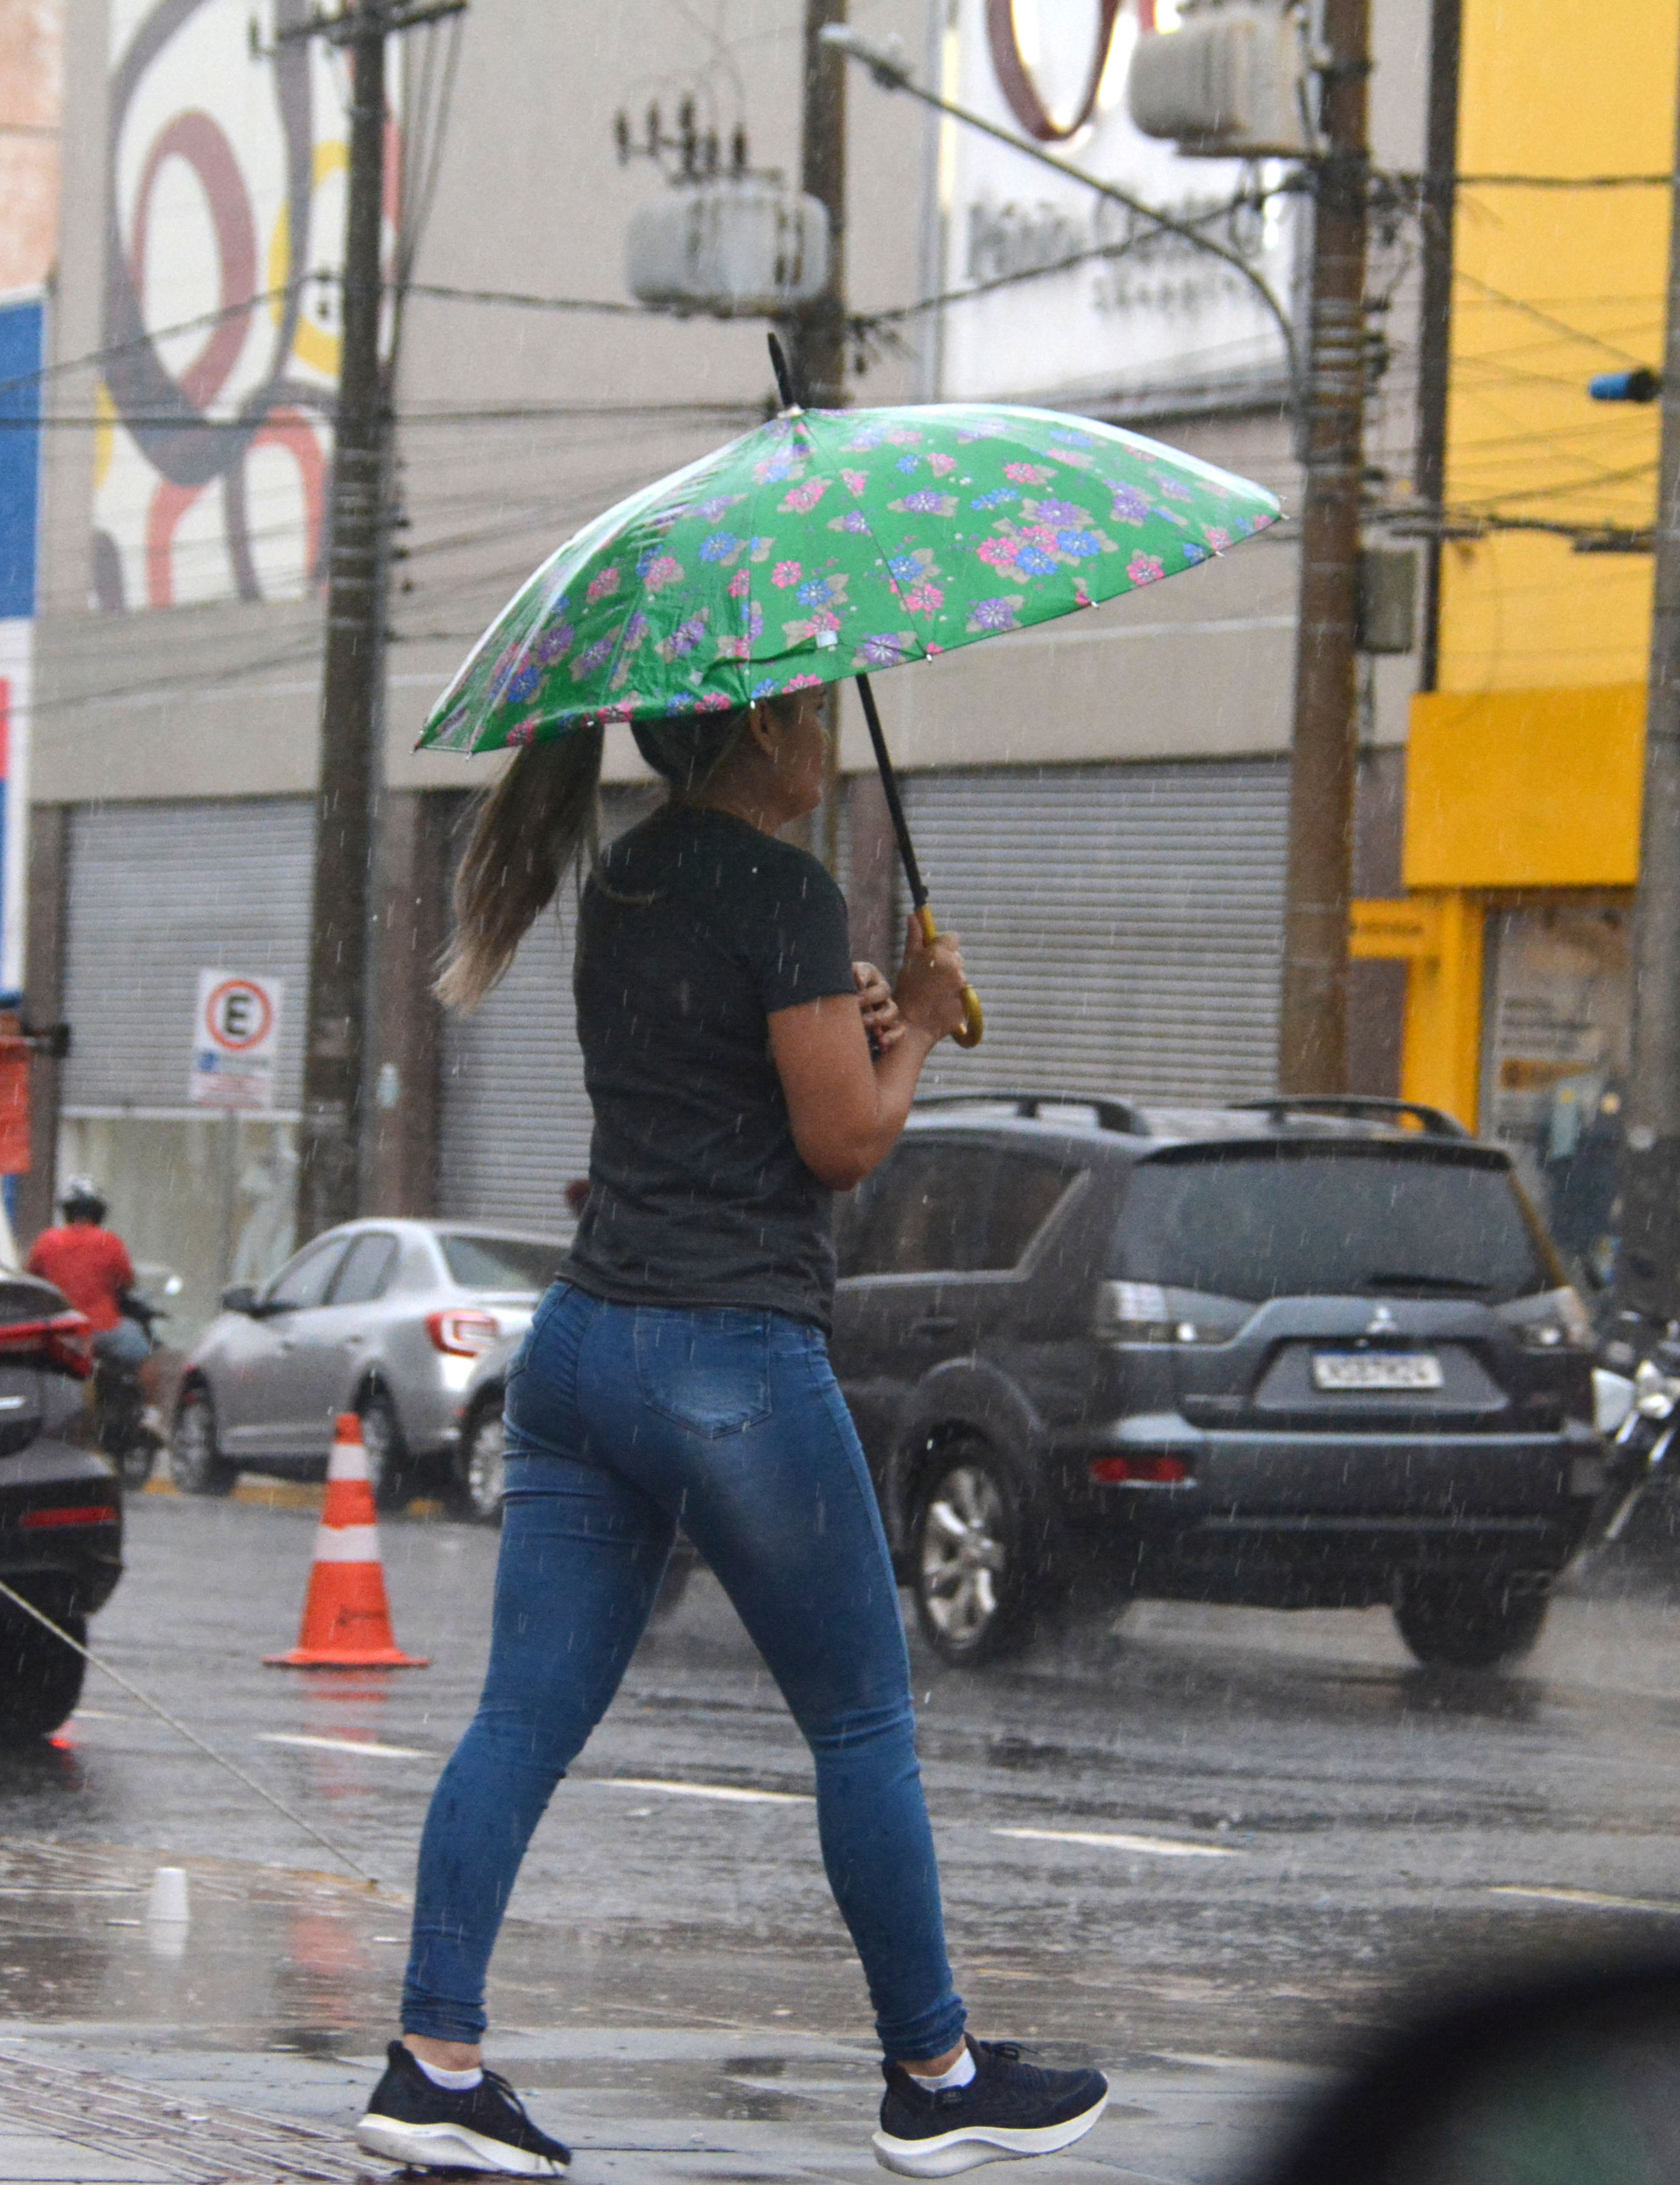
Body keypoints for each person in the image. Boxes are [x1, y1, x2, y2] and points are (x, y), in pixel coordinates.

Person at [351, 689, 1109, 2180]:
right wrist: (928, 1029)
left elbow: (727, 1084)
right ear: (764, 734)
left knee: (520, 1722)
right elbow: (842, 1143)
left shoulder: (623, 882)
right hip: (730, 1355)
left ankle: (433, 2059)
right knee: (861, 1725)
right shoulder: (784, 889)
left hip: (582, 1352)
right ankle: (936, 2072)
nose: (827, 728)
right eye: (813, 706)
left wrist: (857, 1014)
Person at [24, 1180, 158, 1412]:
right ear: (99, 1212)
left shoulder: (47, 1241)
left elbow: (29, 1278)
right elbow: (127, 1282)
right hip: (105, 1330)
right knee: (144, 1353)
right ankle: (150, 1411)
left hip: (61, 1332)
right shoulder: (109, 1241)